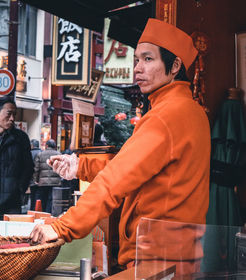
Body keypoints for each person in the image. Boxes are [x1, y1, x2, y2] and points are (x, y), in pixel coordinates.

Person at [30, 18, 211, 276]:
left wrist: (62, 227)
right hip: (177, 259)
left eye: (148, 59)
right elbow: (136, 166)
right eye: (136, 60)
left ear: (175, 66)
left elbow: (115, 180)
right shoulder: (189, 111)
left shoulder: (166, 115)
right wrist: (80, 165)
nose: (137, 68)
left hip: (157, 261)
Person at [33, 139, 61, 213]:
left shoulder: (40, 154)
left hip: (43, 182)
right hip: (55, 182)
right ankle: (50, 213)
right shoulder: (59, 154)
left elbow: (36, 169)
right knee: (52, 199)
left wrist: (36, 179)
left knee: (43, 199)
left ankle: (44, 214)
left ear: (47, 146)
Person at [29, 139, 41, 211]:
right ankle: (37, 210)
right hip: (41, 178)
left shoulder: (29, 153)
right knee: (39, 196)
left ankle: (32, 209)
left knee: (32, 195)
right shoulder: (41, 153)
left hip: (32, 178)